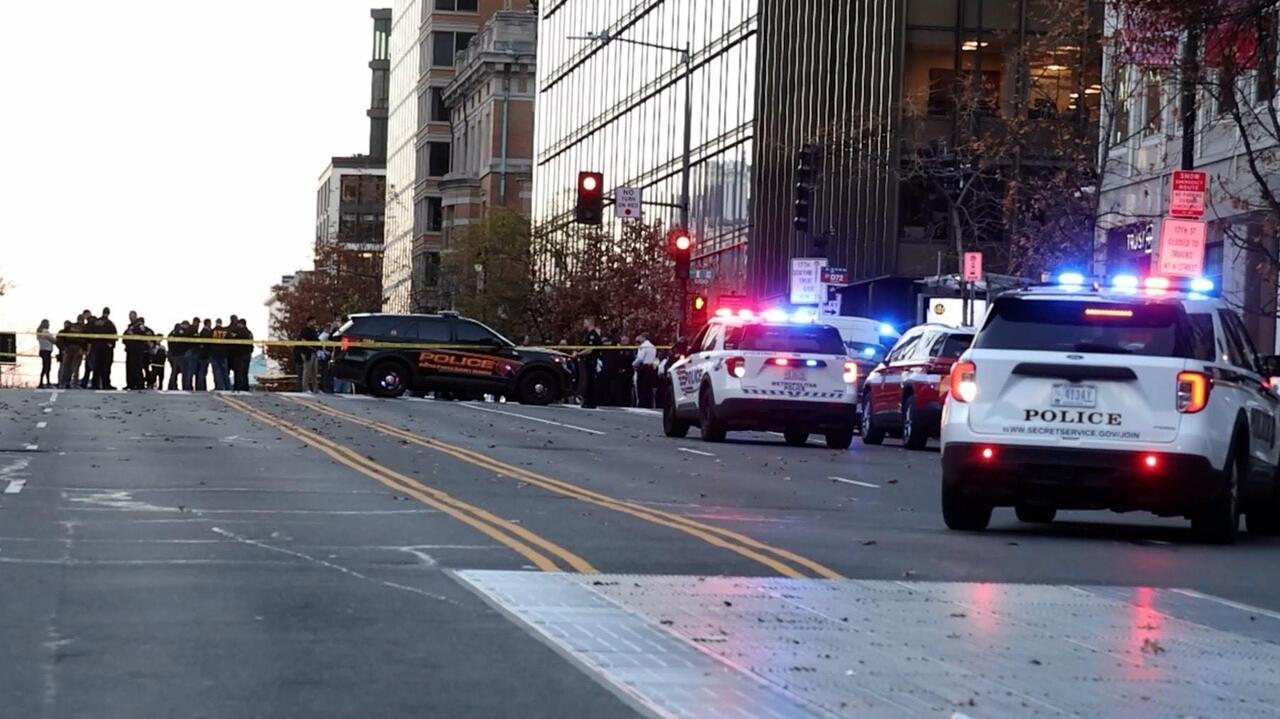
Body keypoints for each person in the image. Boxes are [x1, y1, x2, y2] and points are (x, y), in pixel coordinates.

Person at [575, 317, 603, 409]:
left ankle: (591, 402)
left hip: (591, 361)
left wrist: (578, 354)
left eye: (585, 322)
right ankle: (587, 401)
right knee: (587, 381)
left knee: (591, 381)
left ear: (589, 323)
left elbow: (589, 350)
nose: (584, 324)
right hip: (587, 361)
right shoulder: (587, 335)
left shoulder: (593, 335)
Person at [57, 318, 86, 389]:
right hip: (77, 348)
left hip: (69, 347)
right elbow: (85, 340)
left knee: (66, 366)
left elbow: (60, 338)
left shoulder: (71, 327)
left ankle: (64, 382)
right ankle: (74, 383)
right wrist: (84, 349)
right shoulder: (83, 328)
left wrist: (63, 348)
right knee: (75, 367)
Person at [122, 314, 150, 390]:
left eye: (132, 316)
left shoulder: (139, 326)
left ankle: (139, 384)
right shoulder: (130, 327)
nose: (131, 318)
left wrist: (133, 334)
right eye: (130, 316)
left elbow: (144, 335)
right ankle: (130, 384)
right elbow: (124, 336)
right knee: (129, 368)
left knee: (137, 367)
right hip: (129, 350)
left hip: (137, 350)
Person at [633, 332, 658, 409]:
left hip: (643, 369)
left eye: (640, 337)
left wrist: (634, 364)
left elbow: (640, 358)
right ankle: (649, 405)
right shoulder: (653, 346)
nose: (639, 339)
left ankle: (642, 404)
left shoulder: (643, 346)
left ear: (644, 337)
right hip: (651, 368)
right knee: (648, 388)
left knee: (642, 387)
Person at [228, 317, 254, 392]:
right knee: (245, 373)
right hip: (247, 354)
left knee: (238, 372)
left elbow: (232, 339)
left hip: (239, 355)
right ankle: (245, 388)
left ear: (240, 324)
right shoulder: (249, 332)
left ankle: (238, 387)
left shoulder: (237, 332)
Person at [297, 318, 320, 392]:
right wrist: (311, 347)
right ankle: (305, 388)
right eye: (313, 321)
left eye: (315, 321)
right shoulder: (305, 330)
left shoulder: (314, 331)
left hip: (314, 353)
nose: (314, 323)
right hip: (307, 353)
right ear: (309, 322)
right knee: (307, 371)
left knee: (315, 372)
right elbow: (303, 340)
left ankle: (315, 389)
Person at [209, 318, 231, 391]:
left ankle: (219, 387)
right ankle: (227, 387)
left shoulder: (212, 331)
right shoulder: (225, 331)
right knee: (225, 371)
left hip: (214, 353)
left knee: (216, 371)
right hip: (223, 353)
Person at [167, 322, 188, 390]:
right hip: (179, 354)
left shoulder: (171, 333)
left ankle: (172, 386)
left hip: (173, 355)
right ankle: (184, 386)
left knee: (174, 372)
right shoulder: (180, 332)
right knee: (183, 372)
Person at [195, 319, 213, 391]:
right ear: (208, 323)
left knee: (202, 371)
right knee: (202, 371)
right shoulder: (205, 332)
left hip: (202, 354)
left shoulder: (203, 332)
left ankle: (201, 387)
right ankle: (201, 387)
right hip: (204, 355)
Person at [36, 320, 54, 388]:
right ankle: (47, 382)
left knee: (44, 367)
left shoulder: (39, 332)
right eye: (48, 324)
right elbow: (53, 340)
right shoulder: (45, 332)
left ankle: (42, 382)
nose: (49, 325)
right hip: (46, 351)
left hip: (42, 350)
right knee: (47, 367)